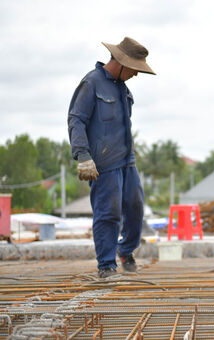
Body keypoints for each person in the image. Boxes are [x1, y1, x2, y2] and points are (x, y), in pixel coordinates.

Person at [67, 37, 156, 278]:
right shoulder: (91, 83)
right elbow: (76, 119)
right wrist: (83, 155)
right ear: (120, 63)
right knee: (109, 213)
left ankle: (125, 251)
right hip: (103, 165)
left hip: (127, 161)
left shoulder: (122, 88)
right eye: (135, 70)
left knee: (136, 208)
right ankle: (106, 265)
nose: (136, 75)